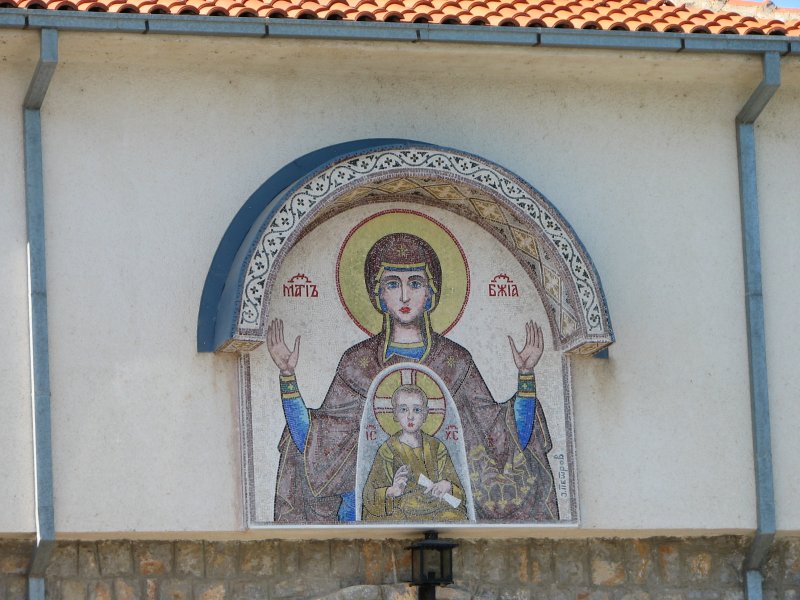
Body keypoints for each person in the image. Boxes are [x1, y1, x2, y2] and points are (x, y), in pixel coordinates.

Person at [267, 232, 558, 523]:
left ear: (431, 293)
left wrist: (526, 376)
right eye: (393, 284)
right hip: (377, 513)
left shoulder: (456, 361)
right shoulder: (356, 363)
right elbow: (317, 447)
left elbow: (502, 441)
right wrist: (288, 377)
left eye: (415, 283)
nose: (404, 296)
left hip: (442, 512)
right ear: (379, 294)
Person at [361, 384, 467, 522]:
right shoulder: (387, 450)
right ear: (395, 414)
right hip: (402, 510)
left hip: (435, 508)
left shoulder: (437, 447)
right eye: (403, 409)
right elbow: (369, 496)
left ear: (425, 414)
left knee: (454, 518)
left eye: (417, 410)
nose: (410, 416)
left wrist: (447, 486)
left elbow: (460, 494)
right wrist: (392, 490)